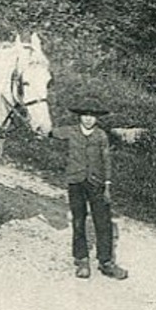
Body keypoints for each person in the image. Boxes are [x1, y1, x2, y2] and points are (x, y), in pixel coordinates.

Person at [56, 95, 128, 280]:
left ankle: (106, 262)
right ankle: (81, 260)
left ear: (97, 118)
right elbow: (48, 131)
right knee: (78, 221)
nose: (88, 119)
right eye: (85, 115)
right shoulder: (70, 131)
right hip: (76, 182)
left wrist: (107, 184)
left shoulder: (101, 135)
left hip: (96, 183)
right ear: (79, 116)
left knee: (103, 222)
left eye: (92, 116)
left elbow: (106, 160)